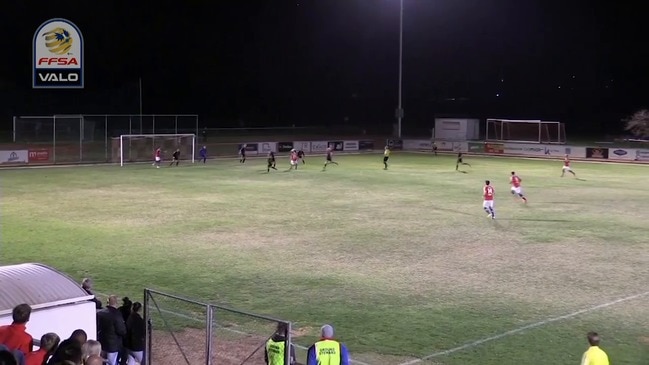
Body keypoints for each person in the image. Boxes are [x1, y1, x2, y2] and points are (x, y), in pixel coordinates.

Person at [96, 296, 126, 365]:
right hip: (113, 345)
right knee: (111, 362)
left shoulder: (101, 313)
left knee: (103, 361)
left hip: (102, 342)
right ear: (116, 303)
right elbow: (121, 330)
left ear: (107, 302)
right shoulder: (117, 314)